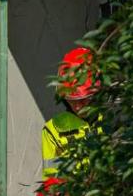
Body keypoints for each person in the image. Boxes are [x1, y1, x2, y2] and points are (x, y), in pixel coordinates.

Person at [41, 46, 100, 178]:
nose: (78, 107)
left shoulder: (113, 119)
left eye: (83, 100)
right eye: (72, 100)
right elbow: (51, 182)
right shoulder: (52, 129)